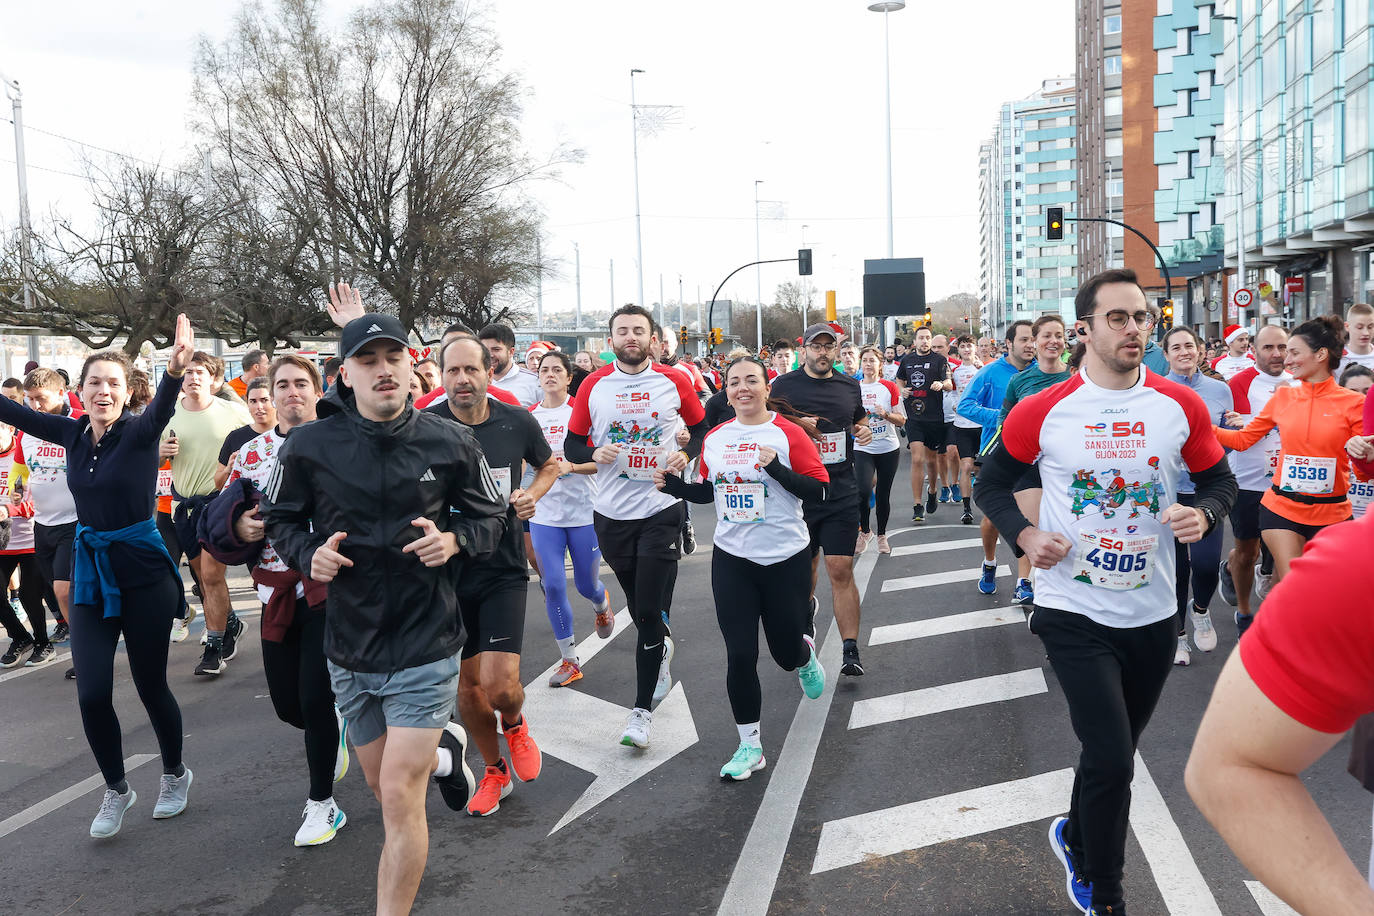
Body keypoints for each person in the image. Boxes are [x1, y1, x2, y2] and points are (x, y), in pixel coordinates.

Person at [976, 268, 1237, 916]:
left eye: (1141, 317)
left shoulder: (1180, 406)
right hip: (1072, 607)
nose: (1132, 328)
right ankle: (1108, 896)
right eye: (1117, 318)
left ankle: (1074, 835)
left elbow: (1220, 483)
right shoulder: (1045, 408)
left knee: (1108, 754)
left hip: (1151, 610)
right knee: (1115, 757)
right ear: (1085, 330)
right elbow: (990, 483)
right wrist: (1026, 535)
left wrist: (1203, 514)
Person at [262, 310, 507, 915]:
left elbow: (494, 517)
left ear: (410, 365)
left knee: (399, 795)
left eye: (392, 357)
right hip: (350, 647)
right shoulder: (308, 446)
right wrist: (306, 554)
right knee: (378, 786)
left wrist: (455, 541)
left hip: (427, 642)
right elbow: (281, 520)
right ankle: (446, 754)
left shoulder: (450, 440)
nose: (382, 370)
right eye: (367, 361)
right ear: (344, 375)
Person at [0, 316, 199, 838]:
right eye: (94, 382)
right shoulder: (68, 432)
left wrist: (175, 371)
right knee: (91, 693)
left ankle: (175, 773)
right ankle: (116, 788)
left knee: (151, 685)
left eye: (113, 382)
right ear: (79, 391)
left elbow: (161, 407)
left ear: (126, 389)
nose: (103, 390)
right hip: (92, 571)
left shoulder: (139, 432)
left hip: (144, 573)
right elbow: (11, 410)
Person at [1185, 510, 1374, 913]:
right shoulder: (1358, 567)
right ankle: (1232, 613)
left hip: (1331, 511)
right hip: (1283, 504)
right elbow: (1232, 766)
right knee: (1264, 563)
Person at [655, 356, 829, 780]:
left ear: (767, 388)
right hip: (732, 558)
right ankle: (750, 746)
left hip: (784, 557)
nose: (742, 388)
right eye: (734, 383)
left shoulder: (788, 434)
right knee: (739, 654)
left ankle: (803, 655)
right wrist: (677, 487)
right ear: (726, 392)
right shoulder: (715, 437)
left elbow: (820, 492)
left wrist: (776, 468)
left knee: (784, 653)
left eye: (752, 380)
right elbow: (712, 492)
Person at [208, 355, 349, 846]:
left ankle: (322, 805)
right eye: (281, 384)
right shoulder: (250, 454)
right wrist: (239, 524)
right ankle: (337, 724)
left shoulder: (343, 439)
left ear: (318, 391)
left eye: (300, 384)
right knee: (290, 707)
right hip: (274, 591)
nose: (291, 392)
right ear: (269, 395)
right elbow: (218, 514)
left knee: (313, 696)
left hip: (330, 587)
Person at [564, 305, 708, 748]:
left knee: (644, 612)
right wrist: (595, 456)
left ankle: (641, 713)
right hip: (609, 514)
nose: (631, 337)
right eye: (622, 331)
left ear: (653, 340)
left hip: (661, 507)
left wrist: (688, 453)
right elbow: (573, 442)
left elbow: (703, 427)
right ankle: (659, 642)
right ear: (610, 341)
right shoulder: (593, 383)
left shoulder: (675, 380)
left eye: (638, 331)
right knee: (644, 606)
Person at [426, 335, 557, 816]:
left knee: (500, 684)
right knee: (468, 688)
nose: (462, 379)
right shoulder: (426, 426)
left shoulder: (516, 420)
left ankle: (516, 723)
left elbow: (550, 465)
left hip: (501, 566)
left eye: (471, 370)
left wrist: (532, 494)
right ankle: (493, 771)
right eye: (452, 371)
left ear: (488, 373)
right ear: (441, 377)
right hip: (445, 573)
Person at [1213, 314, 1367, 590]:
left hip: (1332, 512)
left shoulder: (1355, 403)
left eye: (1294, 352)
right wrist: (1201, 428)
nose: (1287, 360)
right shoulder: (1284, 397)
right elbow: (1244, 440)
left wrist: (1365, 456)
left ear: (1320, 355)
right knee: (1299, 584)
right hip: (1281, 507)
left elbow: (1366, 473)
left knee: (1328, 589)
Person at [770, 324, 872, 677]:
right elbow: (768, 423)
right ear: (805, 350)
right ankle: (806, 617)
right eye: (817, 346)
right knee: (806, 570)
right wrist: (798, 422)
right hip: (799, 493)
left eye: (830, 347)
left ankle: (850, 649)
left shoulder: (849, 384)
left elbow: (859, 419)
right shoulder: (784, 386)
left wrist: (865, 428)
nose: (824, 352)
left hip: (841, 490)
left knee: (840, 568)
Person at [528, 351, 613, 687]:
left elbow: (602, 461)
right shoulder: (529, 419)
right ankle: (569, 660)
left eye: (556, 370)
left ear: (567, 377)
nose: (549, 374)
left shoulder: (583, 413)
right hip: (545, 515)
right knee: (551, 584)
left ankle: (601, 602)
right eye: (544, 370)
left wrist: (572, 466)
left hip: (583, 512)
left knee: (585, 584)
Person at [164, 351, 251, 677]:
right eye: (187, 373)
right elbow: (152, 460)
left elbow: (259, 434)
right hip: (184, 506)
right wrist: (160, 453)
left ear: (213, 378)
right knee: (202, 580)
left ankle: (213, 648)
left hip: (219, 503)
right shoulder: (169, 414)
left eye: (199, 372)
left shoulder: (232, 411)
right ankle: (230, 623)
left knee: (213, 577)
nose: (193, 377)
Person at [1162, 326, 1232, 666]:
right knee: (1175, 570)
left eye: (1189, 345)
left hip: (1206, 491)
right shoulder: (1155, 392)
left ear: (1200, 350)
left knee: (1205, 566)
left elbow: (1228, 438)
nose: (1183, 352)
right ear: (1166, 355)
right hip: (1168, 492)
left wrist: (1229, 432)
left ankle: (1200, 609)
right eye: (1175, 347)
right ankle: (1177, 634)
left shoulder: (1220, 390)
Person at [1216, 324, 1290, 636]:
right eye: (1269, 348)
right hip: (1247, 483)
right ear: (1254, 352)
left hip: (1289, 482)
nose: (1277, 354)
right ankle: (1244, 610)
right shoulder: (1241, 382)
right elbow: (1233, 433)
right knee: (1249, 552)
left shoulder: (1298, 380)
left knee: (1287, 552)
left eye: (1282, 347)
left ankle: (1276, 613)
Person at [995, 315, 1070, 605]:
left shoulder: (1076, 378)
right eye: (1046, 336)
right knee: (1033, 525)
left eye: (1059, 335)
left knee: (1067, 525)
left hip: (1067, 465)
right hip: (1029, 463)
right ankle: (1026, 583)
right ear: (1035, 342)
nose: (1053, 341)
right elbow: (1005, 418)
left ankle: (1060, 590)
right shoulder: (1020, 380)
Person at [958, 320, 1034, 598]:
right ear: (1009, 344)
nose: (1031, 345)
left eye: (1033, 340)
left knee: (1028, 516)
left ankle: (1023, 582)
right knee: (992, 518)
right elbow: (965, 406)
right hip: (996, 450)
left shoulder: (1041, 372)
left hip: (1032, 455)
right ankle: (989, 563)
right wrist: (1002, 419)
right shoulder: (990, 373)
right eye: (1025, 340)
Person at [15, 367, 80, 650]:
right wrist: (16, 491)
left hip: (76, 521)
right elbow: (20, 471)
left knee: (63, 591)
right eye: (30, 399)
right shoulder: (26, 431)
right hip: (42, 526)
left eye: (40, 398)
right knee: (59, 591)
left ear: (61, 393)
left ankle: (84, 649)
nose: (35, 405)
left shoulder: (80, 423)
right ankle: (88, 637)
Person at [0, 420, 54, 668]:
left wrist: (9, 509)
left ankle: (44, 642)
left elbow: (42, 501)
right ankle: (20, 637)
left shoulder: (24, 456)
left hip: (32, 539)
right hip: (3, 542)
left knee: (30, 596)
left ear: (9, 429)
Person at [895, 325, 950, 523]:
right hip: (914, 418)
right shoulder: (907, 360)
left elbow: (949, 383)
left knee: (931, 461)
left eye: (928, 338)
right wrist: (901, 390)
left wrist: (941, 384)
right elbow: (899, 379)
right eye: (921, 338)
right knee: (917, 459)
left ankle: (933, 490)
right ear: (915, 341)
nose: (925, 341)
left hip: (934, 418)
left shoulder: (939, 360)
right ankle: (917, 505)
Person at [854, 346, 904, 555]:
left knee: (883, 494)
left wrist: (885, 414)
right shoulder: (853, 387)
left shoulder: (889, 387)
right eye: (864, 360)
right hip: (862, 446)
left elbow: (901, 420)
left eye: (872, 360)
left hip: (888, 447)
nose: (868, 364)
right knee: (862, 490)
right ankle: (865, 531)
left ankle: (882, 535)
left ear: (880, 364)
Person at [214, 377, 276, 490]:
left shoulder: (288, 434)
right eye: (253, 401)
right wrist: (229, 469)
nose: (259, 407)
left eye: (264, 400)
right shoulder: (235, 437)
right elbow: (218, 485)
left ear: (274, 400)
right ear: (246, 402)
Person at [950, 335, 983, 525]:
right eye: (963, 347)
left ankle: (984, 503)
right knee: (966, 466)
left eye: (969, 346)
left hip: (982, 425)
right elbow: (952, 393)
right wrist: (956, 405)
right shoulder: (955, 371)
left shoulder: (983, 369)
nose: (967, 349)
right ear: (959, 351)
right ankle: (966, 509)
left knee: (980, 469)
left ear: (975, 348)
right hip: (962, 425)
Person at [478, 324, 542, 407]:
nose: (490, 355)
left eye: (496, 349)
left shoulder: (535, 382)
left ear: (511, 352)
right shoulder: (475, 382)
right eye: (485, 350)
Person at [1338, 302, 1374, 376]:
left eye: (1370, 327)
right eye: (1359, 327)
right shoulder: (1337, 357)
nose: (1366, 333)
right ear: (1347, 326)